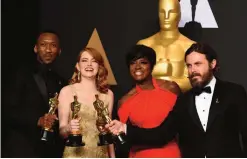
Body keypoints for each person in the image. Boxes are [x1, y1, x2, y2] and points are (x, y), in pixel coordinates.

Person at [108, 43, 247, 157]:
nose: (193, 70)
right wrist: (124, 128)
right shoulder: (184, 101)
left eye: (198, 64)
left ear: (212, 64)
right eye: (189, 65)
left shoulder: (234, 92)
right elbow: (160, 135)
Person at [107, 45, 181, 157]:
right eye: (133, 63)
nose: (137, 67)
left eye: (143, 62)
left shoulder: (171, 88)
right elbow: (124, 139)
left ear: (152, 65)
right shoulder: (124, 101)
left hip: (170, 154)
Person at [2, 30, 66, 157]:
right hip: (21, 149)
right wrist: (37, 120)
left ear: (59, 51)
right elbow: (6, 111)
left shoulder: (61, 81)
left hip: (49, 151)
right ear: (36, 48)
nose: (48, 50)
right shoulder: (20, 74)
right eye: (43, 45)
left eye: (53, 45)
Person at [58, 47, 115, 158]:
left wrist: (112, 157)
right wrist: (69, 128)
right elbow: (62, 132)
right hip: (75, 155)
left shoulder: (108, 95)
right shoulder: (67, 91)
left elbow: (109, 131)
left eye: (94, 61)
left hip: (101, 155)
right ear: (78, 66)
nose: (89, 64)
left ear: (99, 66)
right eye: (84, 60)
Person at [137, 0, 195, 92]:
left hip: (179, 102)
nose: (166, 17)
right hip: (147, 101)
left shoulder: (189, 46)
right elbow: (138, 77)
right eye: (162, 12)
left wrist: (162, 84)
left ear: (179, 15)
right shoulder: (144, 45)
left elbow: (191, 80)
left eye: (171, 12)